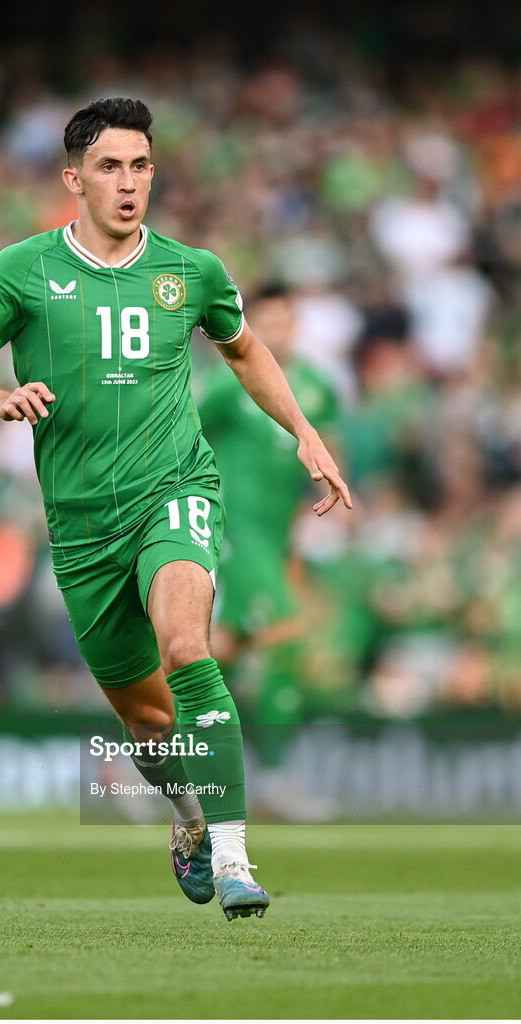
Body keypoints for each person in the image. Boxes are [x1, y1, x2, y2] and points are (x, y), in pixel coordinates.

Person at [0, 97, 352, 920]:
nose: (128, 183)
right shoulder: (21, 269)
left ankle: (235, 860)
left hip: (174, 492)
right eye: (110, 167)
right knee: (150, 721)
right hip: (81, 526)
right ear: (74, 179)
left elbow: (245, 350)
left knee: (188, 646)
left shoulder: (193, 271)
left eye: (141, 166)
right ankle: (188, 819)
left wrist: (304, 432)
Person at [198, 283, 342, 820]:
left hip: (278, 537)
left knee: (220, 649)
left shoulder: (317, 386)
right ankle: (275, 778)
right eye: (267, 321)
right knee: (287, 629)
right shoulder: (224, 384)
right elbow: (180, 436)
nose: (278, 330)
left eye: (285, 320)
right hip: (233, 527)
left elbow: (326, 447)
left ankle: (148, 753)